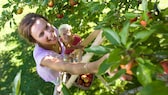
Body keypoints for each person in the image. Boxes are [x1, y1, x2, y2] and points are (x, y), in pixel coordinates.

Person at [18, 13, 109, 95]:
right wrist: (98, 66)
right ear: (35, 41)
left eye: (46, 26)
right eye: (41, 34)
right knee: (59, 83)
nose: (50, 34)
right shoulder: (44, 58)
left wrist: (74, 48)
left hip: (62, 59)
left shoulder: (53, 31)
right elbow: (66, 67)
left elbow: (64, 44)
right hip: (53, 75)